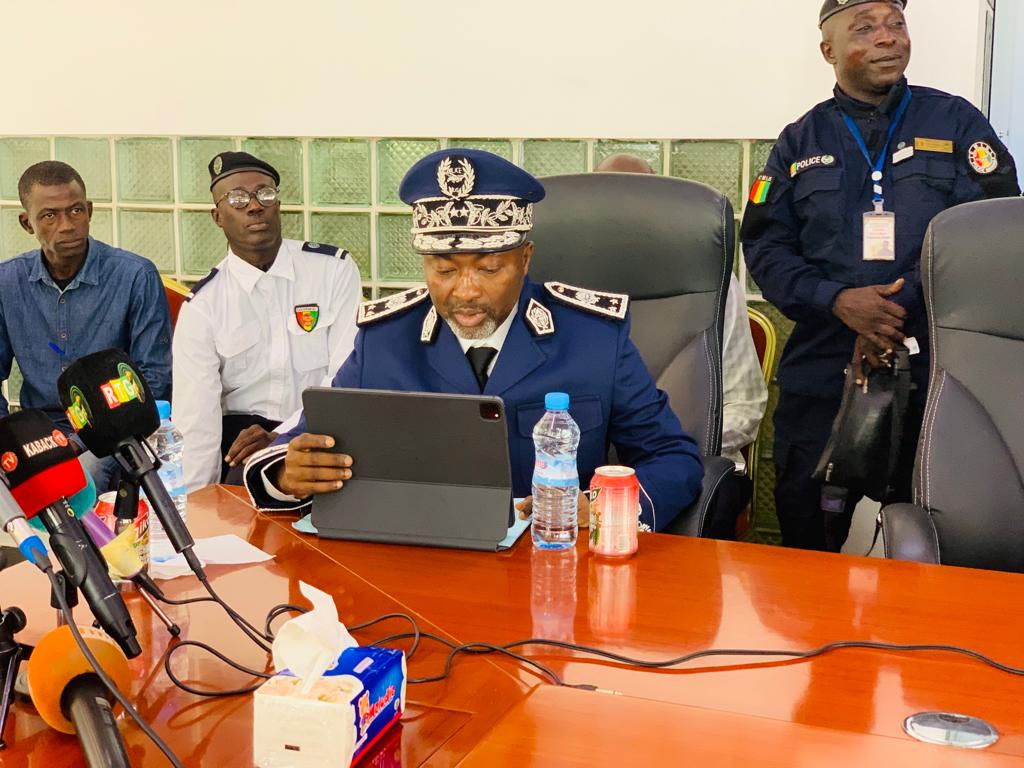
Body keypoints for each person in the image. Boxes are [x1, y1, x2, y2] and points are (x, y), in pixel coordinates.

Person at [244, 148, 704, 531]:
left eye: (488, 269)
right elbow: (297, 443)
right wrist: (287, 474)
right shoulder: (384, 341)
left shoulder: (593, 338)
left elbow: (672, 457)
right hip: (419, 569)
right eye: (444, 270)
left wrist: (605, 512)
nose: (464, 291)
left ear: (525, 258)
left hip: (552, 566)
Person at [741, 0, 1020, 551]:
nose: (888, 38)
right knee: (807, 537)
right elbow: (765, 246)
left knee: (939, 540)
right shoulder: (800, 141)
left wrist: (897, 305)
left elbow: (989, 234)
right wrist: (837, 299)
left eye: (896, 24)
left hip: (938, 374)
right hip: (827, 369)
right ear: (829, 50)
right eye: (865, 28)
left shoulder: (956, 122)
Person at [596, 153, 768, 539]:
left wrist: (671, 456)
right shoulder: (560, 286)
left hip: (694, 463)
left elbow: (745, 405)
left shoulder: (710, 283)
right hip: (592, 470)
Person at [172, 152, 361, 491]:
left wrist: (285, 434)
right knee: (241, 497)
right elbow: (197, 421)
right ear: (218, 216)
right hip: (242, 443)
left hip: (322, 430)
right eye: (237, 199)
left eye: (265, 194)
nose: (254, 206)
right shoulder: (203, 306)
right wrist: (197, 505)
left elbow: (345, 376)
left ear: (278, 204)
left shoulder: (332, 270)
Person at [0, 160, 172, 490]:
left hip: (113, 431)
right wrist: (8, 439)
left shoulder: (135, 275)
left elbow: (155, 379)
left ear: (89, 211)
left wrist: (79, 443)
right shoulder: (7, 282)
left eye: (76, 211)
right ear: (27, 223)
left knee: (80, 476)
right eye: (49, 216)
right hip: (38, 433)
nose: (67, 225)